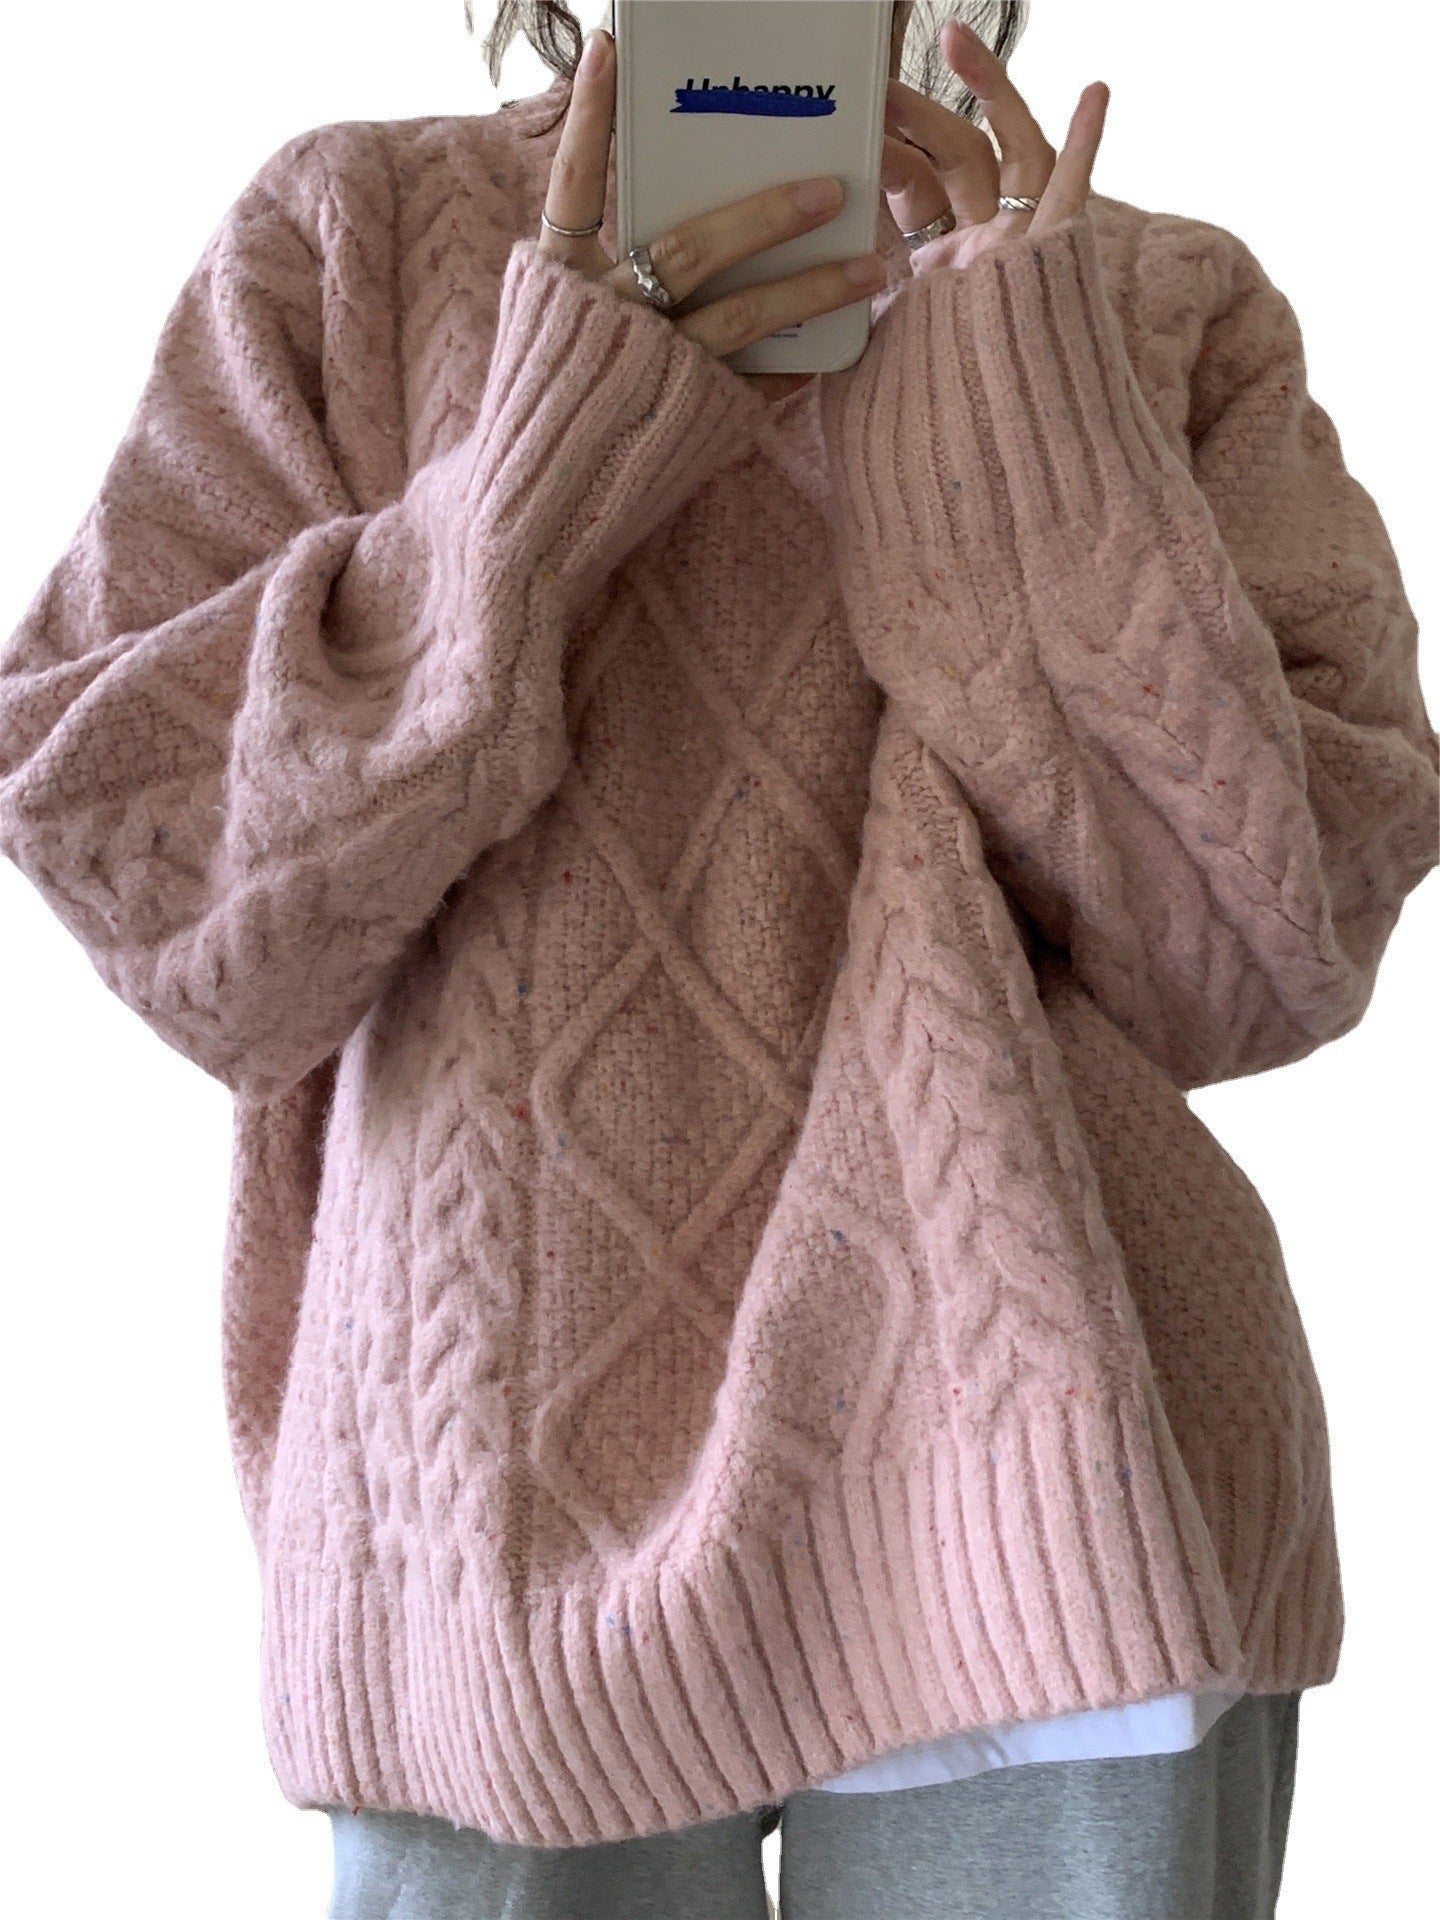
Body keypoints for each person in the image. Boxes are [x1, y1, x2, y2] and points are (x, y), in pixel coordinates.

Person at [0, 0, 1434, 1914]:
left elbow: (1273, 958)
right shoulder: (348, 238)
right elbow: (156, 883)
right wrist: (531, 476)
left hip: (1065, 1514)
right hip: (489, 1535)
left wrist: (1030, 439)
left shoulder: (1148, 301)